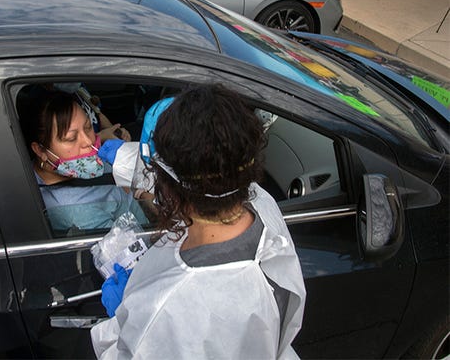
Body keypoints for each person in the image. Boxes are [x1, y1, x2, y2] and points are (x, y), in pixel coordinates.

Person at [90, 84, 306, 359]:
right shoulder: (262, 202)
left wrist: (121, 318)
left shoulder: (169, 306)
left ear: (167, 184)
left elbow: (125, 354)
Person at [22, 90, 148, 232]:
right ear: (40, 150)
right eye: (71, 138)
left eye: (88, 128)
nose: (88, 141)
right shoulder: (76, 211)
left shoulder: (76, 161)